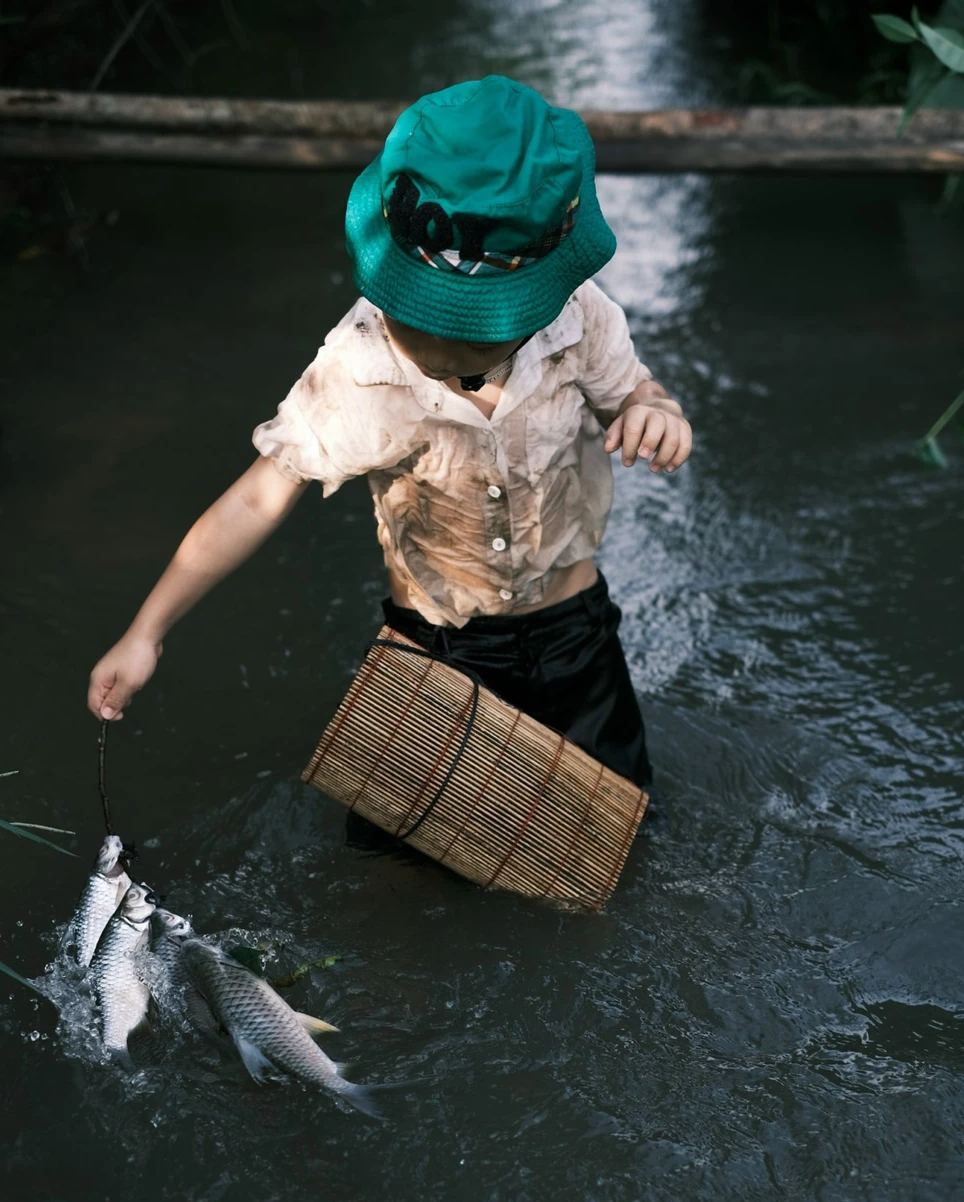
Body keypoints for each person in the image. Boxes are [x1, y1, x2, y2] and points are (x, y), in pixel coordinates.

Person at [88, 76, 692, 799]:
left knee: (612, 821)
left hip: (574, 631)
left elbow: (635, 393)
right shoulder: (357, 366)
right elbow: (256, 499)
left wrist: (658, 414)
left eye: (463, 335)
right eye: (416, 315)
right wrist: (146, 629)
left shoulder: (580, 319)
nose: (430, 347)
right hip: (435, 646)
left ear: (535, 305)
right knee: (403, 843)